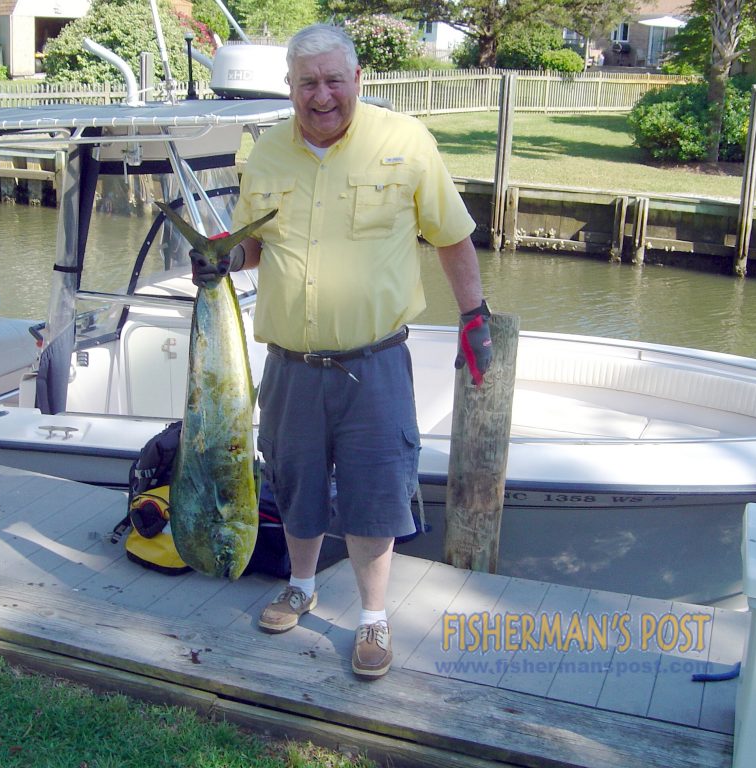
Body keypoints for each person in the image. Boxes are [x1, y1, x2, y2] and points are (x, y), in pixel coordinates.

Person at [190, 23, 492, 679]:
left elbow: (452, 236)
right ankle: (301, 584)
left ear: (358, 80)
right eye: (307, 84)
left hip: (373, 363)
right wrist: (220, 255)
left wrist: (474, 316)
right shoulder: (266, 152)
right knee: (293, 482)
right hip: (290, 367)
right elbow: (253, 247)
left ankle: (374, 618)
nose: (321, 96)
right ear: (290, 88)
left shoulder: (404, 143)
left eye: (333, 81)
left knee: (374, 491)